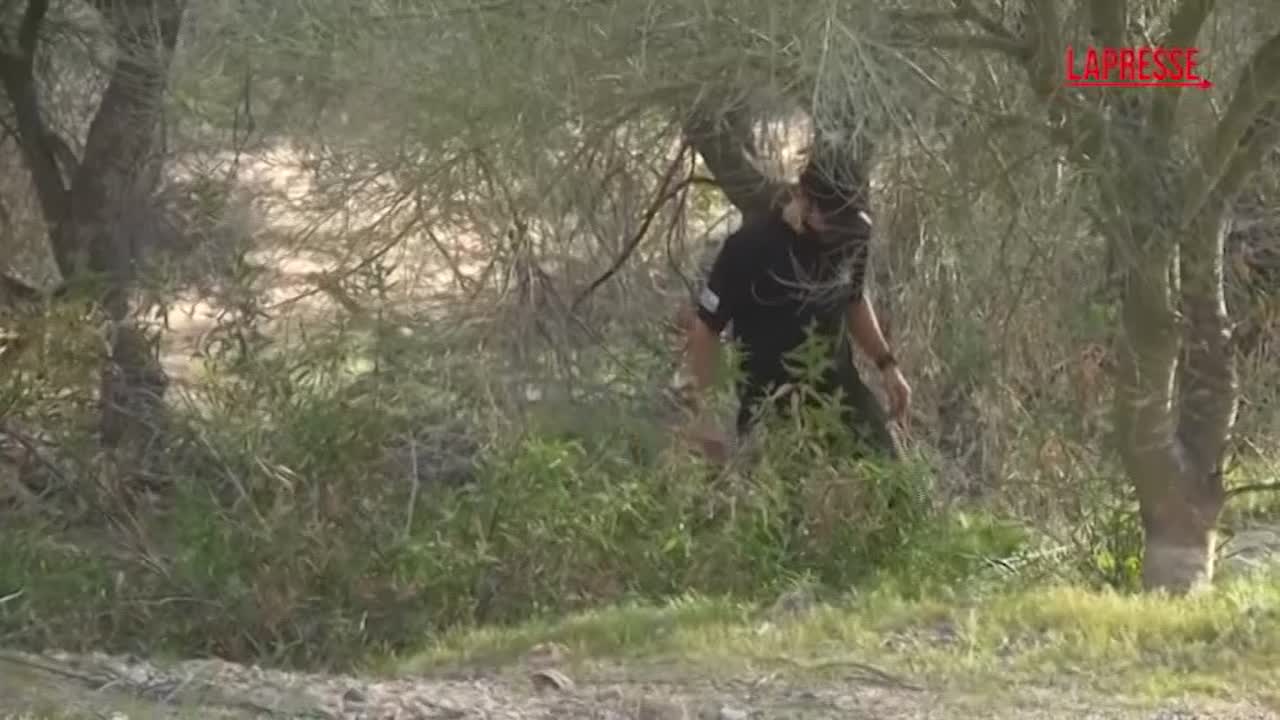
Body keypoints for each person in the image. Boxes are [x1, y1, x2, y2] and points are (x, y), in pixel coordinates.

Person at [680, 153, 910, 463]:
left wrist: (887, 364)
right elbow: (706, 329)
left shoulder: (851, 236)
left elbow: (853, 300)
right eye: (831, 219)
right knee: (787, 490)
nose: (837, 231)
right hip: (772, 406)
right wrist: (704, 416)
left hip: (841, 395)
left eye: (846, 220)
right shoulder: (748, 248)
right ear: (803, 198)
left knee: (893, 480)